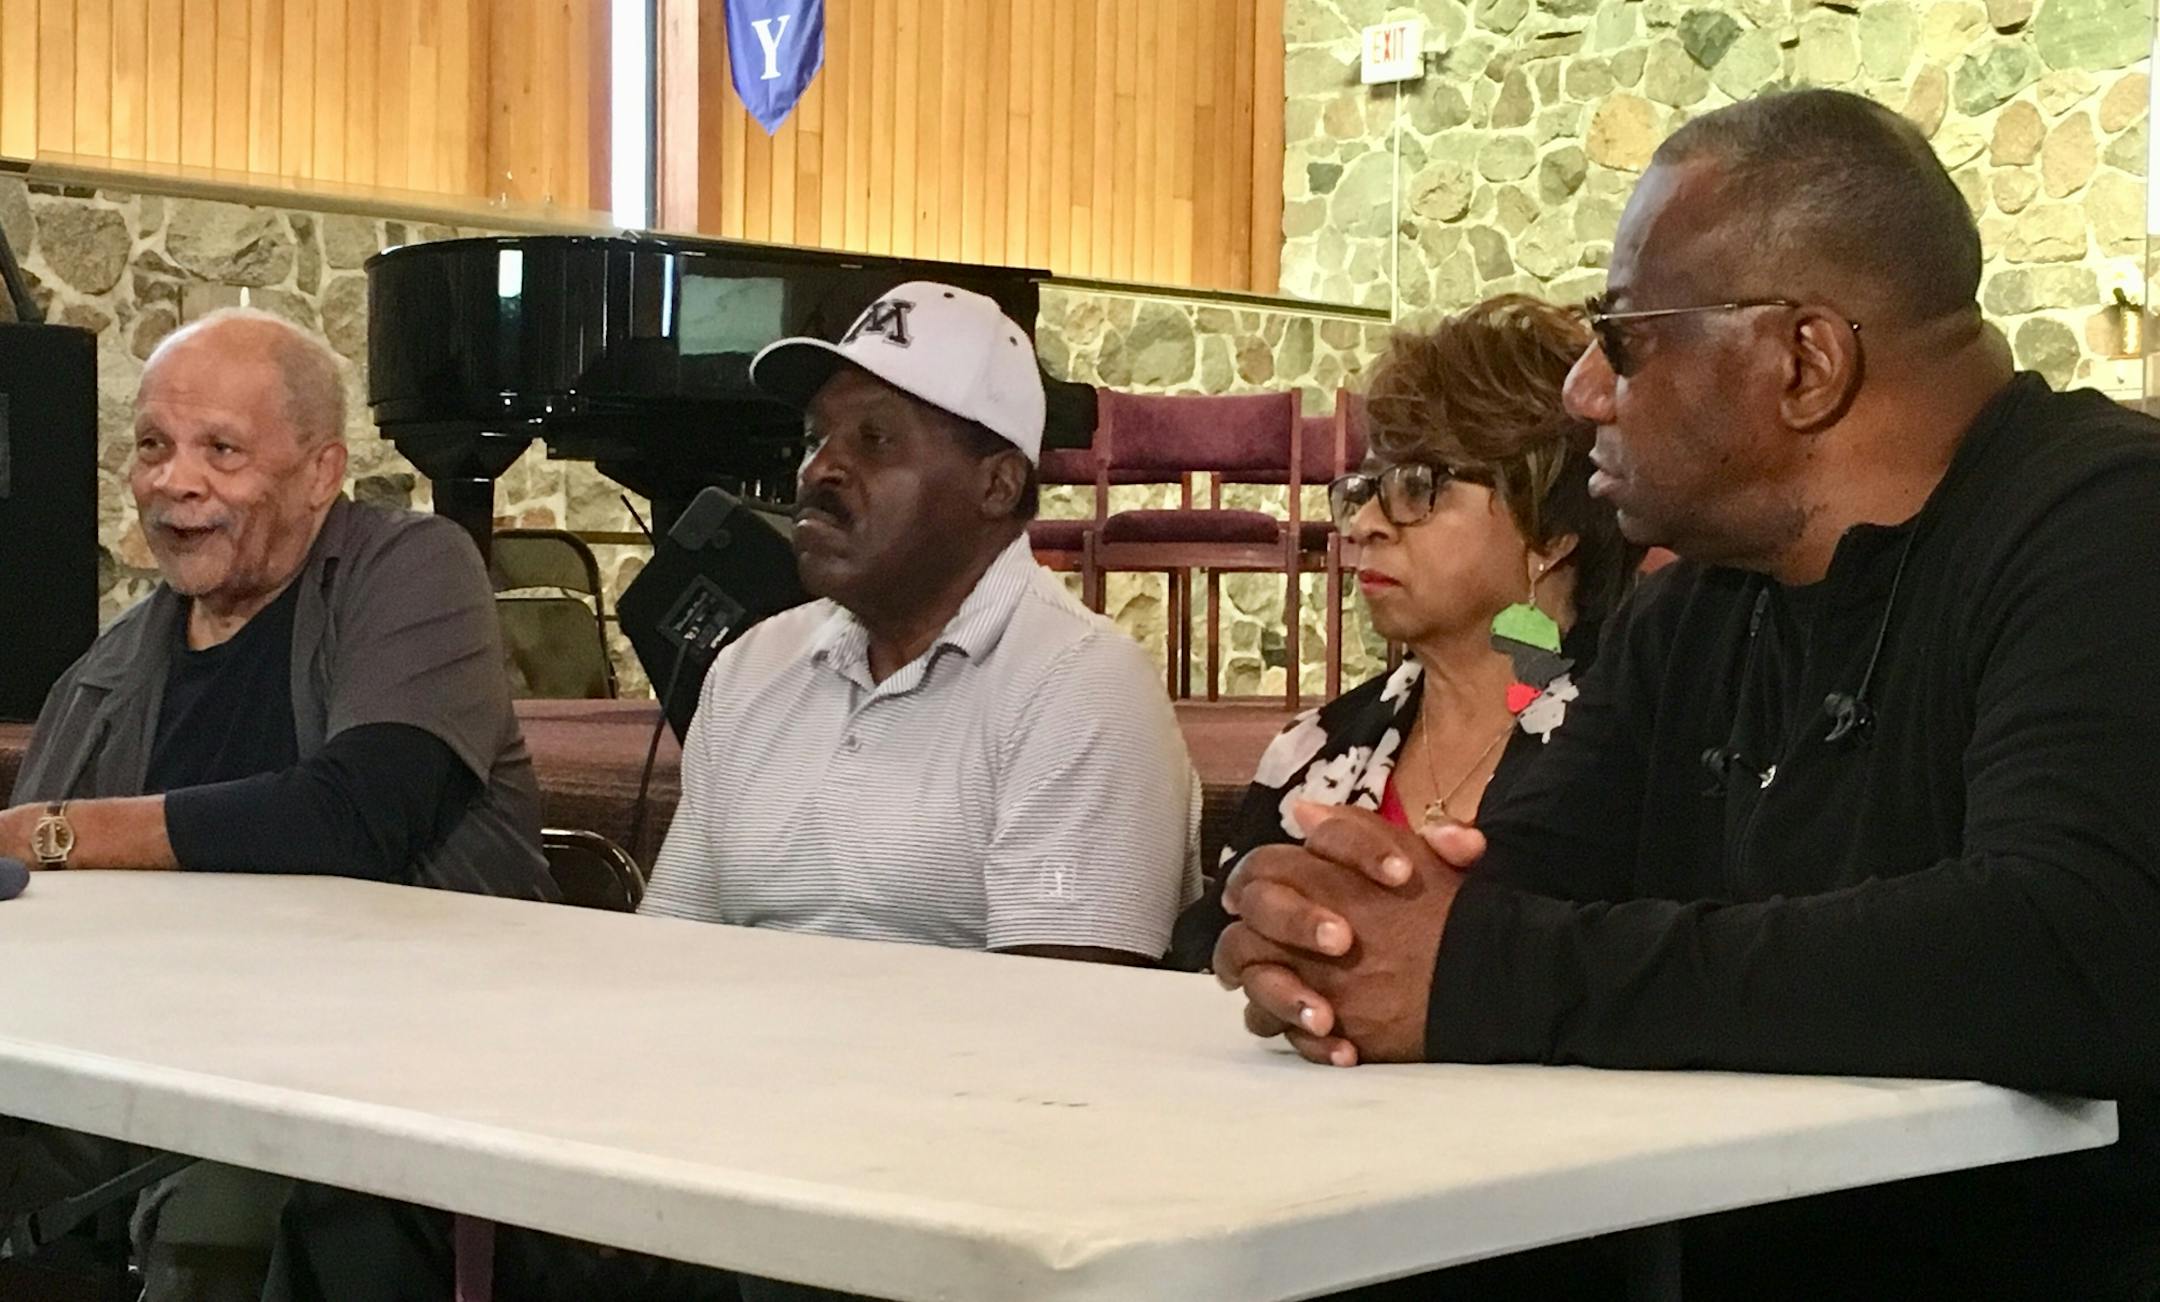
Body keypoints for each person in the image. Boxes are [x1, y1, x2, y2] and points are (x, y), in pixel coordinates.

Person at [1213, 88, 2160, 1296]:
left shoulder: (2111, 532)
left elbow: (2072, 947)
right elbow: (1524, 879)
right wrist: (1339, 924)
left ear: (1804, 361)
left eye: (1624, 340)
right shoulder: (1701, 605)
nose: (1583, 397)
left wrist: (1495, 973)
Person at [267, 281, 1200, 1302]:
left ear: (995, 484)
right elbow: (668, 969)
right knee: (364, 1199)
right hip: (722, 1154)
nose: (822, 470)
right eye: (816, 437)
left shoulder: (1080, 687)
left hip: (922, 1199)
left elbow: (1063, 1055)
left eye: (877, 441)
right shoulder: (758, 668)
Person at [0, 308, 552, 1301]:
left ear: (319, 473)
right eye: (154, 447)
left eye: (222, 450)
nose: (176, 482)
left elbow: (353, 813)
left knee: (220, 1215)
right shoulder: (105, 675)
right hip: (139, 1074)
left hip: (375, 1078)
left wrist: (65, 831)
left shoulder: (411, 574)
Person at [1169, 294, 1639, 971]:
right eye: (1366, 485)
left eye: (1420, 485)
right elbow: (1206, 961)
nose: (1366, 523)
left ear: (1551, 531)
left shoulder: (1633, 741)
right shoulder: (1315, 747)